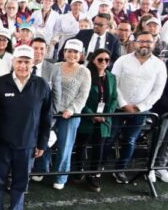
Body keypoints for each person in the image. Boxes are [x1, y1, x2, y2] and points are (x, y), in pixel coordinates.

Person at [0, 45, 53, 210]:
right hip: (2, 145)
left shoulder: (41, 85)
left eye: (27, 62)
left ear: (33, 64)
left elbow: (47, 117)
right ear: (13, 62)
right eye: (20, 61)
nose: (23, 65)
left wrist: (42, 143)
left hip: (27, 145)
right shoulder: (0, 83)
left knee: (20, 182)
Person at [110, 30, 167, 183]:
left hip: (141, 111)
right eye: (141, 41)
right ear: (135, 43)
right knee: (109, 138)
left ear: (153, 44)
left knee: (130, 140)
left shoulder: (159, 66)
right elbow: (113, 84)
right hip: (117, 107)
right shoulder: (122, 60)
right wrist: (123, 104)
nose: (144, 44)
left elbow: (157, 91)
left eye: (148, 41)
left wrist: (140, 107)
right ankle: (98, 169)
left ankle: (120, 170)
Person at [39, 39, 90, 190]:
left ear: (81, 54)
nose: (72, 54)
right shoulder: (54, 67)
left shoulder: (84, 71)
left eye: (75, 52)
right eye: (69, 51)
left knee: (65, 146)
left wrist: (72, 109)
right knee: (45, 142)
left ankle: (61, 177)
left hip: (70, 115)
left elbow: (83, 95)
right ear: (64, 52)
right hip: (52, 112)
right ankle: (42, 170)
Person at [75, 49, 118, 192]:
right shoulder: (85, 74)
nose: (104, 62)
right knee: (81, 145)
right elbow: (81, 97)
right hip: (87, 118)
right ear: (93, 60)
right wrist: (91, 114)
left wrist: (107, 114)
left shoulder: (111, 77)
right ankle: (78, 170)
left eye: (107, 60)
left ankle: (93, 175)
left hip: (104, 120)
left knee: (99, 148)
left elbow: (113, 99)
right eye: (100, 59)